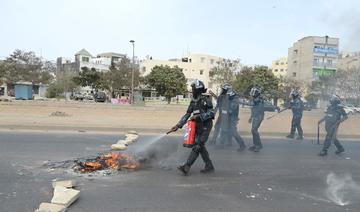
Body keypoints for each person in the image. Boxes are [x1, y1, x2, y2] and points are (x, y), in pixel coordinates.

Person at [169, 80, 215, 175]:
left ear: (198, 90)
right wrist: (178, 125)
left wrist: (199, 117)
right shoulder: (193, 101)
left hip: (206, 126)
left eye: (193, 88)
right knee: (200, 147)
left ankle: (186, 166)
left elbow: (211, 113)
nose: (192, 90)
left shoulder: (206, 100)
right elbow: (188, 114)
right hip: (197, 126)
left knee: (198, 146)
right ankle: (209, 165)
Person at [248, 87, 265, 152]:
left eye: (254, 93)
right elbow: (253, 110)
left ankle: (258, 146)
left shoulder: (259, 100)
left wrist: (254, 104)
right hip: (255, 116)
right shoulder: (255, 100)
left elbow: (259, 110)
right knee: (253, 131)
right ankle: (256, 145)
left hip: (259, 116)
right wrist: (251, 117)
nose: (252, 94)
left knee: (254, 130)